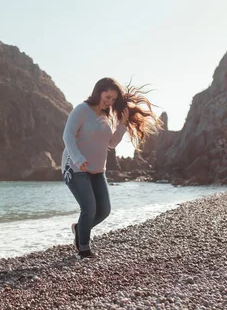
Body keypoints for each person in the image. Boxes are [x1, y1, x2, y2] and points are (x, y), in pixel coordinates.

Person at [61, 77, 161, 259]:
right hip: (75, 167)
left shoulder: (106, 116)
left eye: (113, 99)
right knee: (89, 209)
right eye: (107, 97)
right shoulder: (81, 110)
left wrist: (122, 125)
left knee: (104, 210)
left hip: (98, 170)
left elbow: (111, 144)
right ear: (98, 92)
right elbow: (67, 136)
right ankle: (84, 249)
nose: (110, 102)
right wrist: (77, 158)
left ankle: (79, 229)